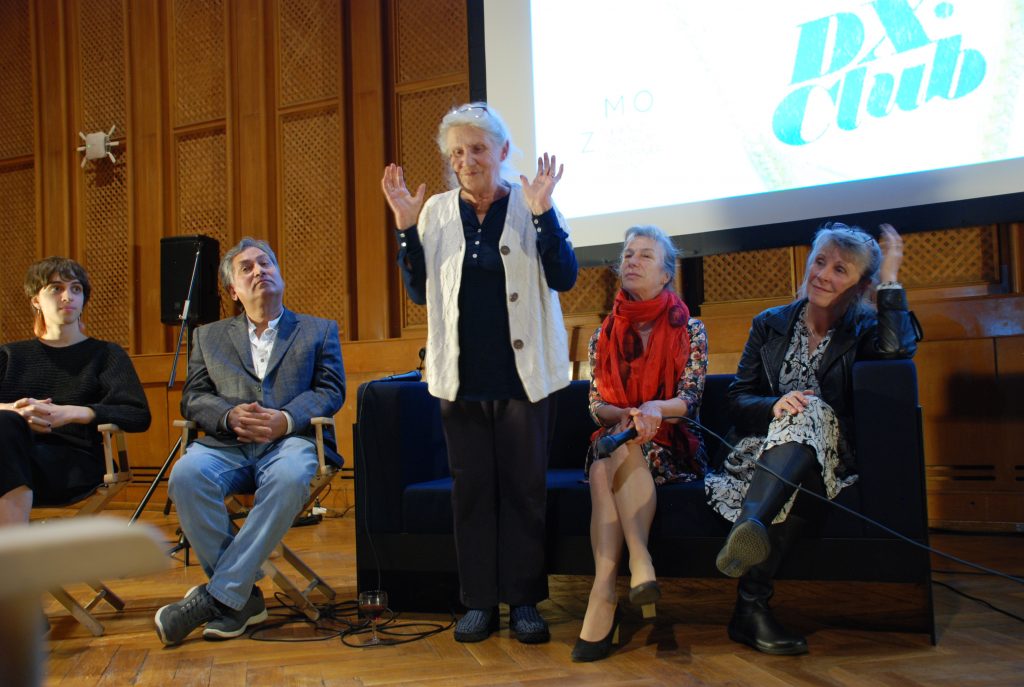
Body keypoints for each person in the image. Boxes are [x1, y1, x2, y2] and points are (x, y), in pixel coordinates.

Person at [380, 102, 578, 644]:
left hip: (524, 376)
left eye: (478, 149)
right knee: (471, 494)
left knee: (524, 492)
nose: (467, 161)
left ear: (502, 152)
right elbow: (419, 291)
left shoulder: (532, 202)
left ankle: (525, 601)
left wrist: (543, 216)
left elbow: (563, 276)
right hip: (461, 378)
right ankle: (479, 603)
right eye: (457, 153)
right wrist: (404, 228)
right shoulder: (437, 212)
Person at [704, 222, 919, 655]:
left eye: (841, 269)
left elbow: (898, 349)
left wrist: (890, 283)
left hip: (830, 460)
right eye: (820, 261)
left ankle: (751, 528)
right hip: (762, 454)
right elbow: (738, 399)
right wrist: (775, 406)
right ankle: (749, 608)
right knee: (800, 414)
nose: (823, 274)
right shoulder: (770, 324)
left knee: (815, 409)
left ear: (860, 285)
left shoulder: (862, 328)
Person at [154, 237, 345, 646]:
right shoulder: (207, 336)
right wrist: (227, 415)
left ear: (280, 274)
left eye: (266, 263)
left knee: (292, 474)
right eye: (247, 268)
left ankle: (219, 597)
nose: (259, 270)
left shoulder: (318, 330)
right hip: (228, 444)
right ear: (233, 291)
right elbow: (194, 397)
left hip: (290, 441)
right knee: (186, 475)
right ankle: (240, 597)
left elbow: (331, 390)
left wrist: (286, 418)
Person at [571, 226, 708, 662]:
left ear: (667, 274)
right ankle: (639, 562)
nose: (631, 261)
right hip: (617, 436)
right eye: (628, 254)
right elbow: (597, 406)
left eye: (645, 255)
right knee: (613, 448)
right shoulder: (601, 336)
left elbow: (690, 400)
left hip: (671, 443)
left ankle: (602, 594)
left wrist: (651, 408)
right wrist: (628, 416)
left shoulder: (690, 329)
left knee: (604, 464)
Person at [0, 257, 151, 528]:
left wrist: (71, 412)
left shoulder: (105, 354)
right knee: (6, 422)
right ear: (36, 300)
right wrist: (16, 410)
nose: (67, 296)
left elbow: (138, 415)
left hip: (73, 464)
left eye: (75, 289)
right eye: (55, 288)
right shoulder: (10, 355)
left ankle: (12, 552)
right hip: (12, 454)